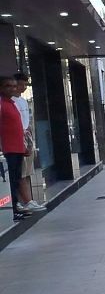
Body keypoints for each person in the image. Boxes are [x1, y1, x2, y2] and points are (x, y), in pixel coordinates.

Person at [1, 76, 31, 221]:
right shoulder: (2, 104)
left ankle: (16, 206)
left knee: (16, 179)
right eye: (8, 86)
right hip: (8, 148)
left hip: (17, 148)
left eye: (14, 86)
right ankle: (13, 209)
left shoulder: (13, 103)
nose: (12, 89)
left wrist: (24, 145)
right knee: (12, 180)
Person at [13, 73, 44, 212]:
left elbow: (27, 120)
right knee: (21, 172)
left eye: (26, 84)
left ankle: (28, 200)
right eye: (21, 84)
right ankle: (26, 201)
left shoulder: (23, 101)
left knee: (27, 172)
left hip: (27, 138)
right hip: (18, 139)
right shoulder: (11, 102)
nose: (24, 87)